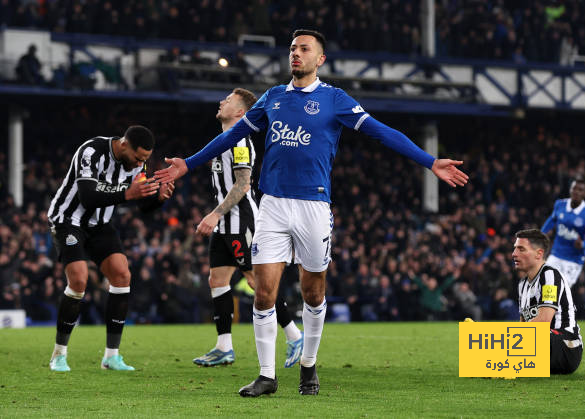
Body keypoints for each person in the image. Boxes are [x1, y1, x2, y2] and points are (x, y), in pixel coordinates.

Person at [155, 29, 468, 397]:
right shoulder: (272, 98)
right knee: (263, 293)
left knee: (313, 294)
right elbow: (232, 135)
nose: (296, 54)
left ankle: (308, 367)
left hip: (313, 207)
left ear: (320, 59)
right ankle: (267, 375)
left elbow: (382, 132)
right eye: (292, 48)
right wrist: (187, 165)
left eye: (304, 49)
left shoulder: (334, 99)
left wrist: (429, 162)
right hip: (272, 205)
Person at [191, 88, 304, 368]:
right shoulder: (222, 139)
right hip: (224, 224)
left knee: (256, 282)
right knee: (217, 280)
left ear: (241, 112)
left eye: (227, 100)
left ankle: (294, 335)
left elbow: (243, 185)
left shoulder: (240, 139)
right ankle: (224, 347)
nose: (221, 101)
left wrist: (215, 214)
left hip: (240, 221)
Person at [47, 125, 175, 372]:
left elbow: (142, 205)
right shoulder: (90, 151)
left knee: (122, 274)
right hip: (68, 220)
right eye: (138, 158)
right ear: (124, 144)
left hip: (100, 224)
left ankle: (111, 356)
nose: (140, 164)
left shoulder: (139, 163)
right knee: (79, 279)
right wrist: (128, 193)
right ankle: (59, 354)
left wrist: (158, 199)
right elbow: (88, 196)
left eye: (145, 160)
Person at [512, 229, 583, 374]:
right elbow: (523, 324)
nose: (514, 254)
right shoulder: (523, 284)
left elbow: (543, 322)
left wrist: (505, 338)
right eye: (514, 249)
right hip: (543, 344)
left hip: (566, 346)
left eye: (521, 249)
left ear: (539, 254)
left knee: (534, 335)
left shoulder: (549, 275)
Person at [541, 178, 585, 288]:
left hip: (573, 260)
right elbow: (552, 220)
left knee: (561, 290)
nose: (576, 191)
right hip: (556, 254)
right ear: (570, 189)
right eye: (574, 188)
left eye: (580, 190)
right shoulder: (560, 204)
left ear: (584, 193)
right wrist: (541, 233)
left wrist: (583, 244)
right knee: (546, 287)